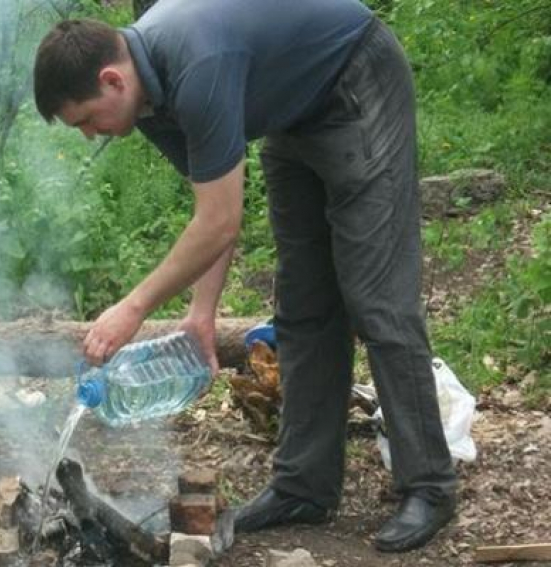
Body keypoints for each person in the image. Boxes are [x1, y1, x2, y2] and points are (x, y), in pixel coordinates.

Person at [33, 0, 457, 553]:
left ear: (112, 79)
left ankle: (429, 485)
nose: (91, 134)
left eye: (87, 119)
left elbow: (220, 221)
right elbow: (214, 216)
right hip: (290, 113)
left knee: (376, 298)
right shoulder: (149, 102)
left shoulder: (195, 66)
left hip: (355, 80)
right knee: (303, 307)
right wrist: (200, 314)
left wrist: (132, 307)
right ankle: (303, 486)